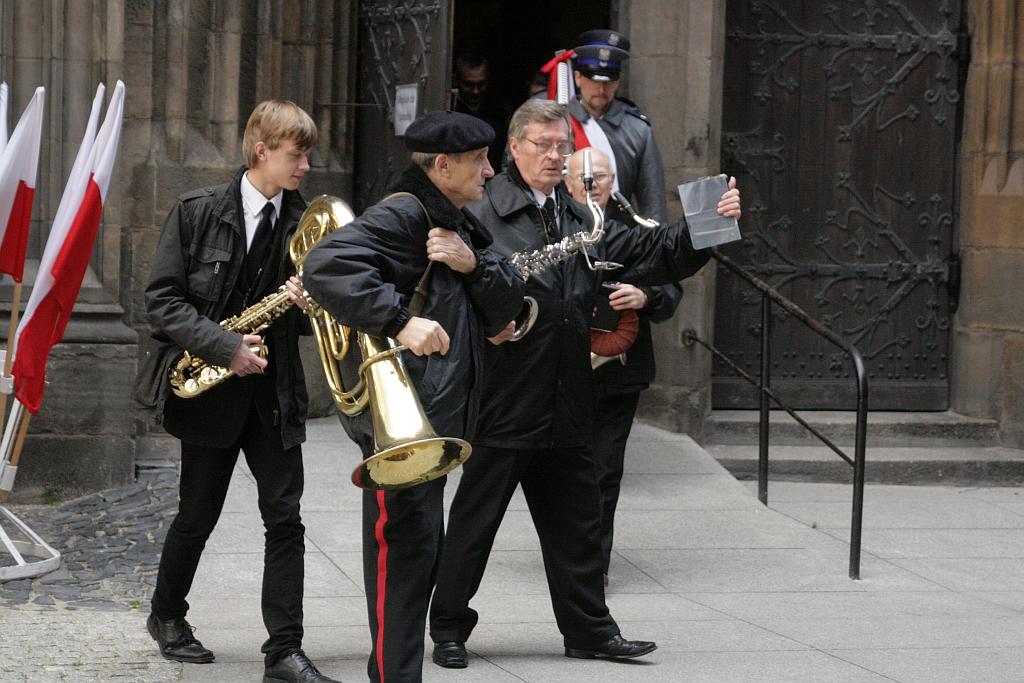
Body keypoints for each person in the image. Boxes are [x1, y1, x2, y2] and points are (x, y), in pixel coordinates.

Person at [428, 98, 741, 668]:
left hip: (569, 395)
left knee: (578, 525)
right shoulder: (482, 212)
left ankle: (589, 630)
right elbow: (461, 297)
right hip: (504, 396)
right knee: (475, 522)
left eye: (562, 146)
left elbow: (654, 252)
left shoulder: (581, 217)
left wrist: (710, 221)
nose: (554, 155)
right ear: (514, 147)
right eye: (543, 145)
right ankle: (448, 628)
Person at [300, 111, 525, 683]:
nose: (490, 170)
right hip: (404, 420)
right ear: (442, 166)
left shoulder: (456, 220)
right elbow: (324, 264)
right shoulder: (404, 213)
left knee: (417, 553)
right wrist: (400, 321)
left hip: (439, 414)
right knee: (401, 556)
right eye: (480, 160)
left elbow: (507, 302)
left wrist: (472, 265)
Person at [137, 100, 340, 682]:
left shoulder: (310, 225)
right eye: (297, 155)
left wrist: (315, 302)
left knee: (286, 520)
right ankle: (166, 615)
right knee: (197, 515)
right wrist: (226, 348)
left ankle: (284, 651)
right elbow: (162, 302)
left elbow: (327, 319)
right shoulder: (197, 211)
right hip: (210, 390)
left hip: (275, 395)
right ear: (260, 151)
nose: (306, 166)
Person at [564, 148, 683, 583]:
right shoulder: (552, 225)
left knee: (604, 470)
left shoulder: (637, 230)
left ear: (613, 182)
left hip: (618, 371)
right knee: (562, 473)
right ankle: (567, 558)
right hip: (562, 371)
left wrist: (645, 296)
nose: (590, 185)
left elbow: (672, 290)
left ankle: (592, 570)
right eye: (582, 178)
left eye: (599, 177)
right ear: (566, 182)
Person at [569, 29, 666, 224]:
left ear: (617, 81)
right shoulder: (559, 123)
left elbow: (652, 201)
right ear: (578, 78)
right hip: (567, 232)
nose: (601, 89)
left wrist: (654, 237)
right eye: (594, 79)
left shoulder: (638, 130)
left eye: (608, 80)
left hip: (619, 234)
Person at [452, 53, 512, 172]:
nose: (476, 91)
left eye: (481, 84)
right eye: (468, 85)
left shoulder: (501, 112)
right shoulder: (449, 111)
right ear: (456, 81)